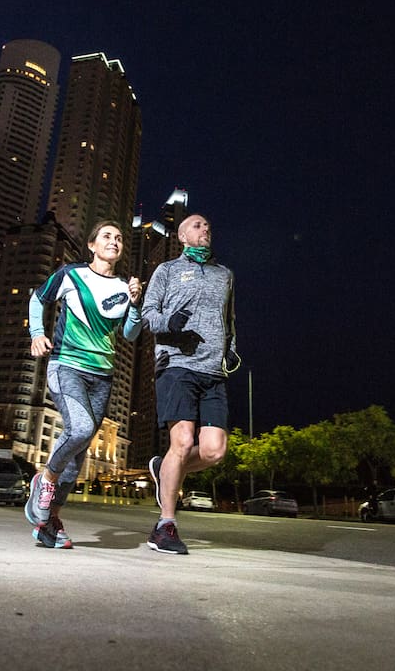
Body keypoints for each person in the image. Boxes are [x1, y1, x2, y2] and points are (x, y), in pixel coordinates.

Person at [24, 220, 143, 548]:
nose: (114, 241)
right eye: (107, 236)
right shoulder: (72, 274)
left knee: (78, 452)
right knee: (80, 429)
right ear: (92, 245)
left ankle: (49, 521)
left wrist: (135, 304)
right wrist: (37, 333)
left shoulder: (124, 286)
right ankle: (45, 480)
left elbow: (130, 334)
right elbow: (37, 298)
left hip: (102, 377)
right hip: (66, 366)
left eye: (119, 238)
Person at [141, 213, 238, 555]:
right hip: (176, 364)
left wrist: (231, 349)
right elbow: (148, 315)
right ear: (182, 236)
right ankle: (165, 525)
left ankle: (163, 467)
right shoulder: (167, 270)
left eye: (208, 226)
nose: (205, 229)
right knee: (181, 442)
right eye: (197, 226)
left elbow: (229, 319)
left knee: (214, 451)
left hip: (213, 371)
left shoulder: (224, 274)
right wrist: (171, 323)